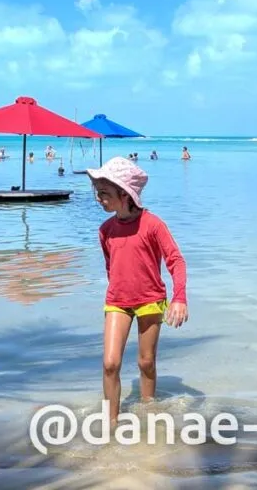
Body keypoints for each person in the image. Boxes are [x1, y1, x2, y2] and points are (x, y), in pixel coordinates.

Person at [87, 156, 189, 429]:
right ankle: (110, 426)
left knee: (146, 362)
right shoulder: (105, 230)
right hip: (117, 302)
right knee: (110, 364)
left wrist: (179, 297)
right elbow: (112, 268)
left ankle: (148, 411)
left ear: (125, 194)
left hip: (150, 300)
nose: (99, 199)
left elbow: (176, 260)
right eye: (98, 193)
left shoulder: (153, 225)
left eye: (104, 194)